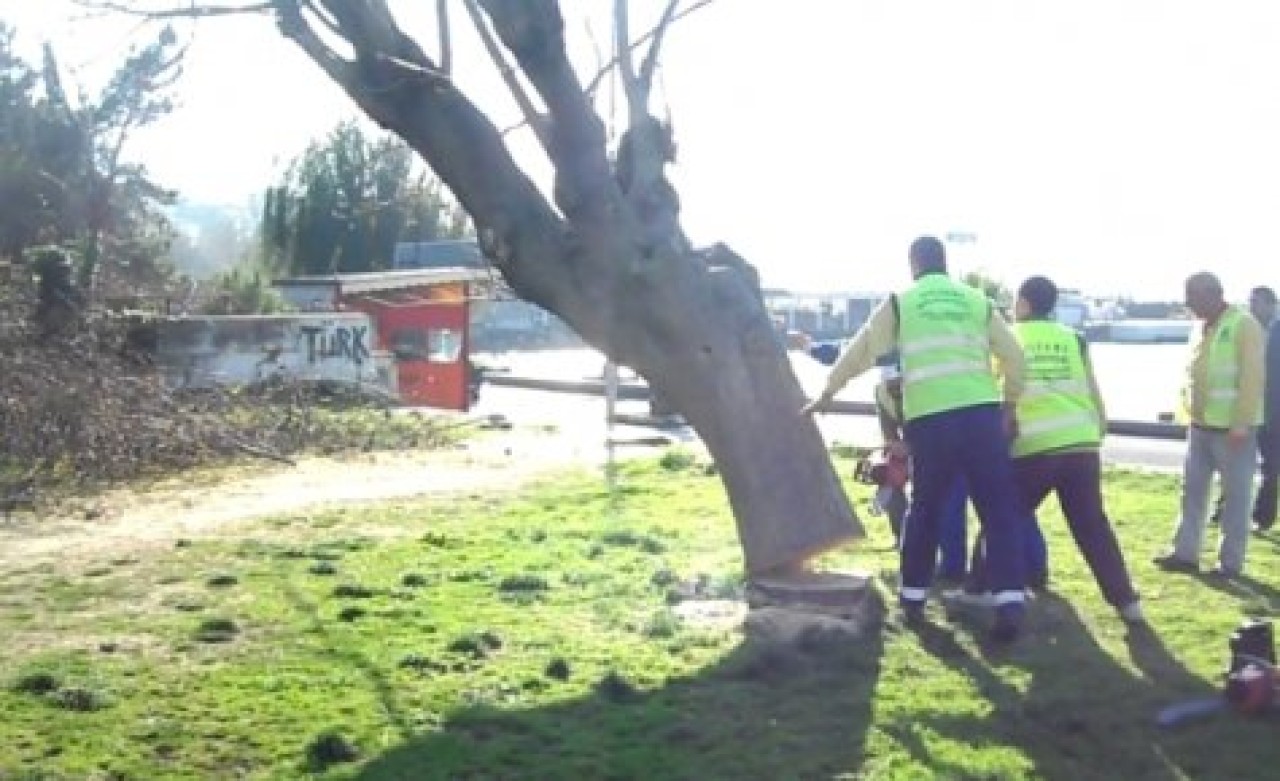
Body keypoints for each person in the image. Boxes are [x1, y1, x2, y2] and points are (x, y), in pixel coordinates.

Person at [804, 235, 1030, 641]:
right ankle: (1009, 602)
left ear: (913, 265)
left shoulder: (900, 303)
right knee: (998, 511)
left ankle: (912, 599)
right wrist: (1008, 404)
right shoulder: (978, 302)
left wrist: (828, 391)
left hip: (930, 420)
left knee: (926, 509)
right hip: (980, 414)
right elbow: (1015, 357)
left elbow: (862, 350)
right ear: (946, 264)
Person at [1004, 275, 1144, 622]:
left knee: (1004, 518)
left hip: (1033, 446)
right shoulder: (1073, 339)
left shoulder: (1007, 338)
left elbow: (1002, 387)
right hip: (1080, 444)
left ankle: (982, 587)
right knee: (1092, 526)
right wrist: (1099, 428)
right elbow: (1091, 389)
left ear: (1023, 302)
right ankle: (1126, 602)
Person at [1154, 272, 1265, 577]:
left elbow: (1252, 378)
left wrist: (1241, 422)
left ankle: (1230, 563)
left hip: (1232, 428)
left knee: (1236, 498)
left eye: (1193, 296)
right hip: (1201, 425)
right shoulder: (1199, 327)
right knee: (1192, 492)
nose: (1188, 302)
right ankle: (1185, 553)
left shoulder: (1243, 325)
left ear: (1214, 294)